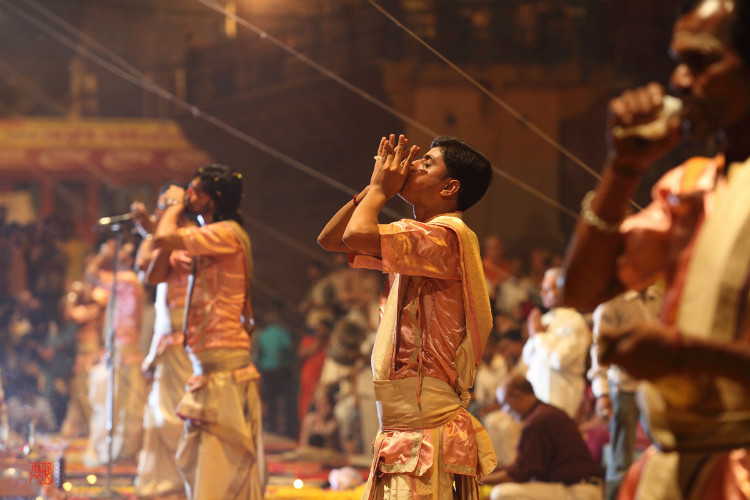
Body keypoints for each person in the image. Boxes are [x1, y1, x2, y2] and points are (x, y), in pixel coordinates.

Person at [561, 0, 750, 498]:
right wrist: (622, 168)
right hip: (674, 469)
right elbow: (580, 291)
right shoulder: (688, 186)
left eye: (703, 62)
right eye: (677, 62)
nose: (681, 82)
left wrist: (684, 355)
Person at [318, 134, 497, 499]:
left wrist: (381, 191)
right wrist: (372, 189)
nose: (413, 165)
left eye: (427, 163)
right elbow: (333, 240)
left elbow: (356, 232)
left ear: (450, 187)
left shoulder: (445, 236)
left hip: (422, 430)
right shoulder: (419, 240)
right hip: (404, 428)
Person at [151, 164, 265, 500]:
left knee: (218, 450)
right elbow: (154, 263)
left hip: (222, 357)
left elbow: (162, 237)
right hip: (209, 357)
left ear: (213, 201)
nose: (188, 196)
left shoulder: (226, 232)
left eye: (195, 190)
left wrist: (172, 207)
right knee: (203, 449)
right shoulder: (218, 233)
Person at [131, 184, 194, 498]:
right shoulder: (162, 240)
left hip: (188, 338)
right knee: (158, 412)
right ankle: (164, 481)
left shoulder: (194, 234)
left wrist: (156, 226)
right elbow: (143, 265)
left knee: (182, 413)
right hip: (165, 338)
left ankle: (186, 481)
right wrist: (151, 228)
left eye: (168, 205)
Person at [589, 285, 662, 500]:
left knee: (665, 446)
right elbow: (599, 352)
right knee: (621, 457)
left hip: (656, 385)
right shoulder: (612, 304)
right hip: (623, 387)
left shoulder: (658, 295)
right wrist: (602, 393)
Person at [481, 375, 604, 500]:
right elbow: (521, 466)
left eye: (505, 404)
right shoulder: (544, 413)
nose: (505, 411)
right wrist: (487, 472)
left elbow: (520, 474)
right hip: (581, 487)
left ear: (517, 395)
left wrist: (480, 480)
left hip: (578, 491)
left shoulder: (538, 420)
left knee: (501, 494)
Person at [83, 237, 145, 466]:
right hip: (118, 349)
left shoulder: (127, 280)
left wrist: (103, 253)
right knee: (112, 404)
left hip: (123, 351)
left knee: (116, 406)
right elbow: (93, 290)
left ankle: (116, 453)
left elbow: (91, 274)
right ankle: (113, 452)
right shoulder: (123, 282)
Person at [521, 267, 591, 419]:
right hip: (538, 397)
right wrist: (536, 335)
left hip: (561, 399)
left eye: (548, 289)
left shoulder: (575, 321)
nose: (542, 293)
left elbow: (560, 361)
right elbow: (527, 357)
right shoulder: (545, 319)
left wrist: (539, 336)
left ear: (563, 289)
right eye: (542, 289)